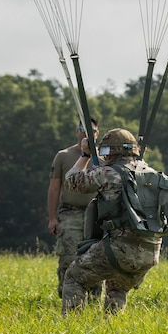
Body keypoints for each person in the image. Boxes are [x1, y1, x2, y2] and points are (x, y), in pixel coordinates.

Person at [62, 128, 168, 314]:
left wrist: (85, 154)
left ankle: (72, 328)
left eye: (105, 152)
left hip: (118, 250)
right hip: (150, 252)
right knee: (117, 288)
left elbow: (71, 181)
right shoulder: (152, 173)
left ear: (111, 152)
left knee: (74, 277)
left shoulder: (108, 173)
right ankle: (112, 330)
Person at [47, 117, 103, 299]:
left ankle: (94, 297)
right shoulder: (63, 156)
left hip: (96, 214)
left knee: (95, 257)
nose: (86, 133)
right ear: (76, 131)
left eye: (91, 130)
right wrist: (52, 218)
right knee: (68, 256)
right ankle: (66, 295)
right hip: (70, 212)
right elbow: (54, 188)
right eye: (82, 128)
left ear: (97, 134)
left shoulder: (103, 159)